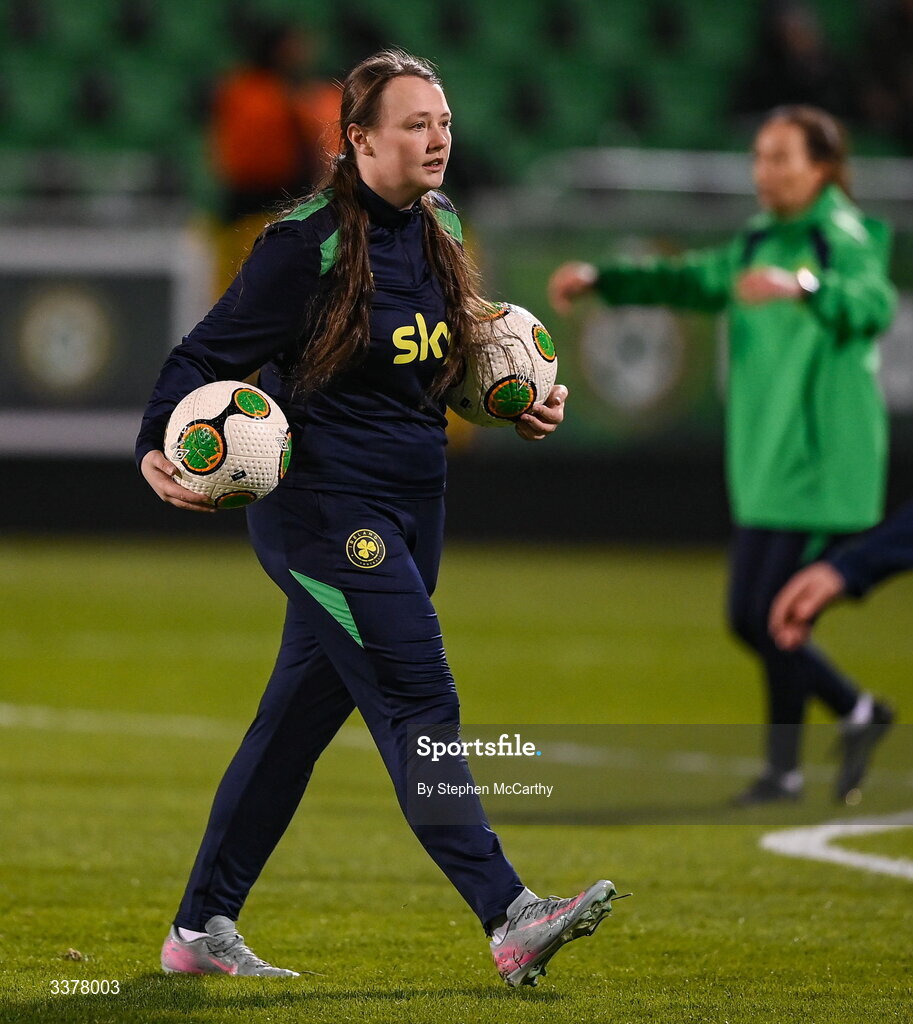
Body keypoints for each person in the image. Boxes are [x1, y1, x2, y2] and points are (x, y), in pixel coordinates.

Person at [137, 49, 619, 987]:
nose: (437, 138)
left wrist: (512, 400)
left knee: (292, 726)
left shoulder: (438, 222)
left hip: (413, 503)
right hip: (323, 512)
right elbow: (199, 358)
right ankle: (509, 913)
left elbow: (432, 354)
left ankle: (198, 930)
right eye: (413, 124)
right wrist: (159, 445)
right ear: (357, 138)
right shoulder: (302, 244)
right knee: (416, 696)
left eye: (442, 121)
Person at [548, 105, 897, 806]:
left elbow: (871, 304)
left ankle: (797, 759)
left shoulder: (839, 237)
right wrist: (605, 280)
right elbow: (691, 281)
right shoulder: (757, 241)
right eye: (758, 158)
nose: (763, 172)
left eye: (780, 158)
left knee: (760, 614)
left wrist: (804, 286)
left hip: (820, 461)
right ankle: (836, 728)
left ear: (822, 168)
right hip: (769, 460)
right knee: (764, 615)